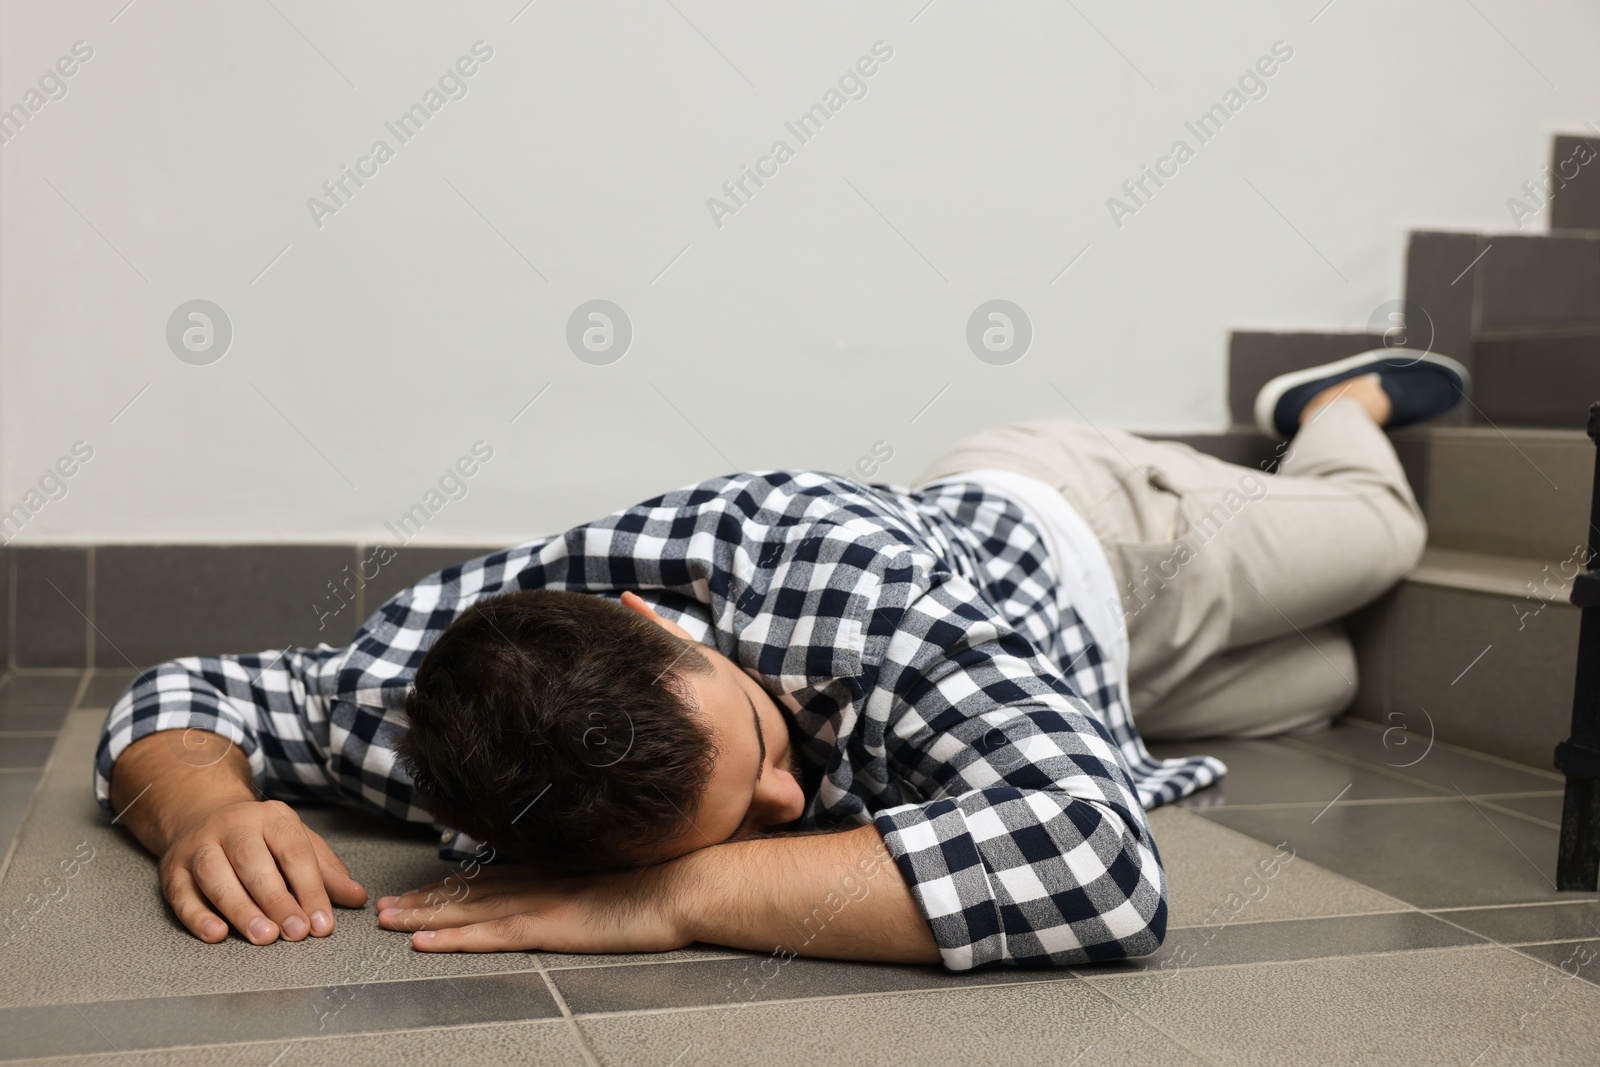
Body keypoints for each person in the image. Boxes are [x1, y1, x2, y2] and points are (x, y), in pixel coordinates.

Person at [94, 350, 1463, 970]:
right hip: (1088, 690)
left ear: (656, 621)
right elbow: (193, 695)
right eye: (726, 827)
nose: (790, 805)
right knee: (1331, 684)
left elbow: (1101, 870)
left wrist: (682, 898)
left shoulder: (861, 610)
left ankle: (1327, 406)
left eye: (757, 756)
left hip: (1108, 545)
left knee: (1378, 535)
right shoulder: (420, 714)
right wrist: (201, 805)